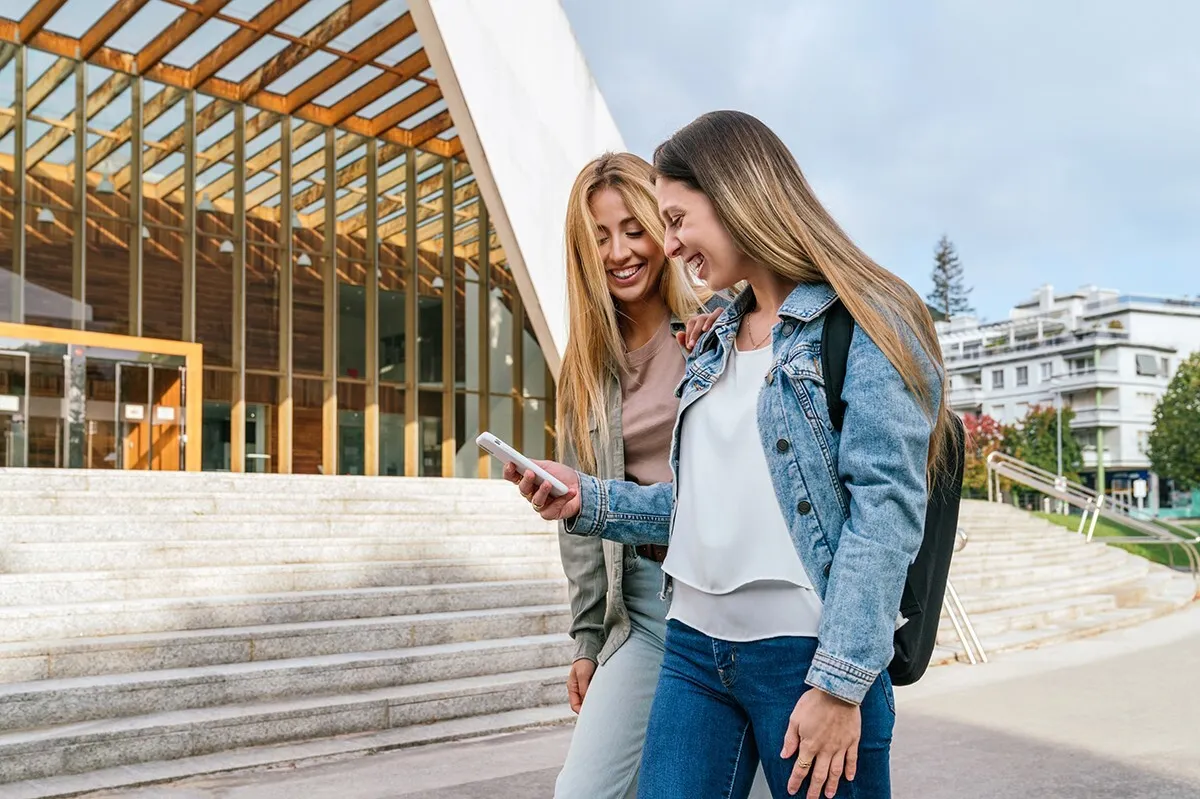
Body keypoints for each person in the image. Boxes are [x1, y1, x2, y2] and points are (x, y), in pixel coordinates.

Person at [509, 111, 953, 799]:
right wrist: (586, 498)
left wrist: (839, 684)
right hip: (693, 651)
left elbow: (885, 512)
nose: (672, 241)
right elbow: (695, 509)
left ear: (735, 195)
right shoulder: (714, 340)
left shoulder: (868, 318)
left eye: (678, 218)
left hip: (803, 656)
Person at [549, 152, 768, 798]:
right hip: (643, 608)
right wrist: (588, 638)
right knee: (583, 791)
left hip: (726, 599)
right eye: (600, 236)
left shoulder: (721, 326)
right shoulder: (584, 370)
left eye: (634, 228)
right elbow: (579, 530)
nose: (619, 251)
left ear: (661, 228)